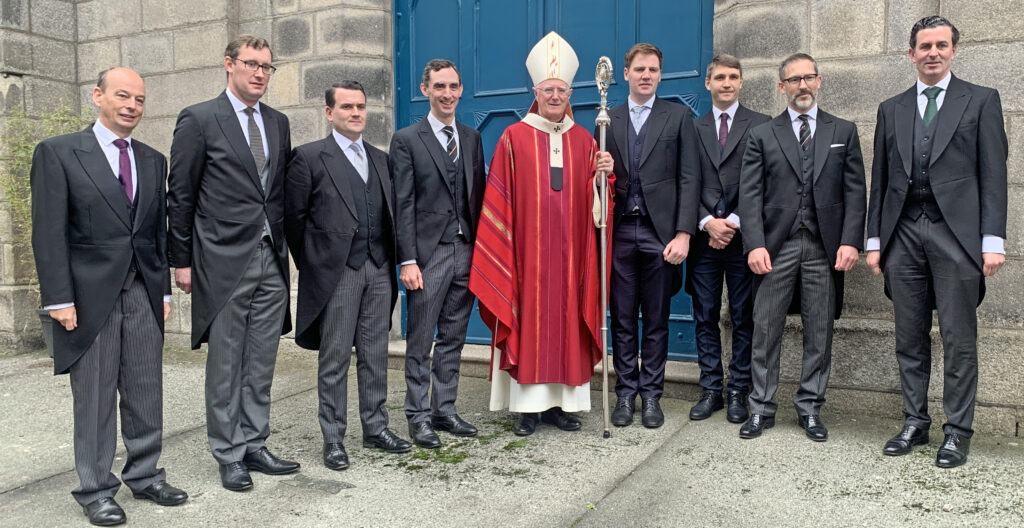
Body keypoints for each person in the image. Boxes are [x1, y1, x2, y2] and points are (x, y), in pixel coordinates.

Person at [31, 67, 187, 526]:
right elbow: (48, 232)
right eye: (122, 96)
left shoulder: (153, 159)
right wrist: (58, 298)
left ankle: (145, 474)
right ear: (97, 96)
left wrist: (161, 290)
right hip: (87, 297)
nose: (132, 106)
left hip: (142, 291)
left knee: (145, 389)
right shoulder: (58, 153)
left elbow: (155, 233)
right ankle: (96, 489)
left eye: (139, 99)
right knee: (96, 397)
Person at [866, 16, 1007, 468]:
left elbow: (994, 175)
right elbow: (881, 180)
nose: (932, 52)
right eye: (924, 46)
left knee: (958, 337)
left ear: (953, 50)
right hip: (903, 234)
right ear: (911, 54)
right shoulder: (891, 107)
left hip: (957, 237)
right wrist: (875, 240)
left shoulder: (981, 101)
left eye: (941, 45)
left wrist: (992, 240)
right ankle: (914, 422)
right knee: (908, 336)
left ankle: (957, 431)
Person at [167, 34, 297, 491]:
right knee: (225, 364)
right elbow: (180, 196)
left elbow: (278, 193)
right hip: (222, 262)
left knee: (261, 361)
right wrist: (180, 261)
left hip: (270, 259)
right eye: (251, 64)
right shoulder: (200, 119)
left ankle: (255, 443)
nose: (260, 73)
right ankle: (228, 452)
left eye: (267, 66)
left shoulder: (278, 123)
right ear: (229, 65)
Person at [469, 31, 615, 437]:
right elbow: (497, 201)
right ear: (536, 91)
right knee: (529, 324)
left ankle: (562, 407)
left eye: (562, 89)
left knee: (568, 323)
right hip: (526, 260)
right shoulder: (513, 138)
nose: (555, 96)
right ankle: (527, 410)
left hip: (570, 260)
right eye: (548, 89)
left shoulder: (587, 141)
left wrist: (604, 177)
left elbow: (599, 209)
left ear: (570, 92)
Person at [737, 53, 866, 442]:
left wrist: (850, 241)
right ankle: (760, 407)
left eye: (809, 78)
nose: (802, 86)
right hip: (776, 247)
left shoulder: (843, 130)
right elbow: (750, 194)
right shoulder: (762, 134)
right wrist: (754, 244)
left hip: (824, 248)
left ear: (819, 81)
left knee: (820, 330)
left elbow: (855, 191)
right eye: (794, 80)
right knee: (766, 328)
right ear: (782, 87)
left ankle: (810, 408)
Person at [285, 80, 411, 469]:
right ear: (329, 113)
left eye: (360, 107)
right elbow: (294, 221)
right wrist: (319, 266)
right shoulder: (308, 158)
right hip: (337, 274)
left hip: (378, 271)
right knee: (335, 358)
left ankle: (375, 428)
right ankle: (334, 438)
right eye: (346, 108)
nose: (356, 114)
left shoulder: (380, 157)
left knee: (375, 354)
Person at [390, 59, 486, 448]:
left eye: (454, 86)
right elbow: (402, 204)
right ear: (425, 89)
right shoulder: (407, 140)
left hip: (466, 250)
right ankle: (417, 416)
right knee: (420, 339)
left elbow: (478, 198)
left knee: (453, 337)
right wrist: (407, 259)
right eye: (440, 87)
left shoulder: (472, 137)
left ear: (461, 90)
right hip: (428, 257)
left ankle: (444, 409)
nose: (448, 94)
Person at [603, 43, 699, 429]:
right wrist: (601, 168)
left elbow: (690, 178)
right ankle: (625, 394)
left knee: (656, 320)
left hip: (662, 236)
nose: (646, 75)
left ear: (660, 75)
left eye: (653, 70)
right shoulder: (607, 118)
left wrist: (684, 234)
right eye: (640, 69)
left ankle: (652, 397)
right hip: (622, 231)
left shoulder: (678, 117)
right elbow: (594, 183)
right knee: (623, 318)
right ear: (626, 74)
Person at [687, 54, 770, 424]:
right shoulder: (691, 128)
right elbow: (684, 182)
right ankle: (710, 388)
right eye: (719, 77)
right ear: (708, 83)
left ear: (741, 82)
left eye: (733, 77)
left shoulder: (762, 125)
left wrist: (733, 221)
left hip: (743, 239)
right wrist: (707, 222)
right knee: (704, 315)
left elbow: (765, 182)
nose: (726, 83)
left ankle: (738, 389)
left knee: (742, 316)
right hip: (704, 239)